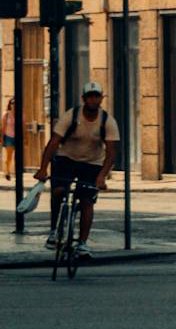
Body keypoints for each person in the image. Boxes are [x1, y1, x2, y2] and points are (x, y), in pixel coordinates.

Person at [35, 82, 118, 258]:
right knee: (58, 191)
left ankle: (82, 243)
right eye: (90, 97)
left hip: (92, 163)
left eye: (97, 97)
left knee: (87, 201)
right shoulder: (71, 116)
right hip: (66, 159)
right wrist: (43, 169)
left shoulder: (107, 121)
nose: (93, 100)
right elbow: (53, 143)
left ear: (101, 99)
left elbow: (111, 153)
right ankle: (54, 230)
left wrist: (102, 177)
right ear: (84, 99)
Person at [3, 96, 17, 177]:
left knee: (17, 156)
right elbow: (3, 127)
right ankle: (7, 171)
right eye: (12, 103)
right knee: (9, 156)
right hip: (9, 137)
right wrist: (2, 138)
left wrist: (26, 138)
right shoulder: (6, 114)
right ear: (10, 104)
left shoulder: (20, 114)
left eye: (15, 103)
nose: (14, 105)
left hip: (17, 137)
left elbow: (23, 126)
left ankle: (16, 172)